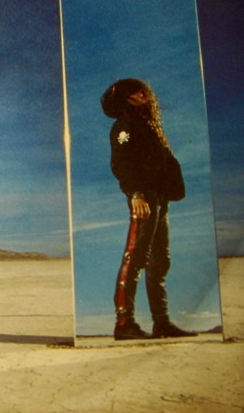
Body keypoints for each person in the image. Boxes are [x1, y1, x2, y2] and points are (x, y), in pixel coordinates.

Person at [101, 78, 198, 340]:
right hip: (143, 198)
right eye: (134, 92)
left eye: (142, 90)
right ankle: (124, 324)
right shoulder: (125, 125)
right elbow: (121, 162)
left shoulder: (147, 126)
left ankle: (161, 323)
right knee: (136, 257)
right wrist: (135, 194)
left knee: (160, 260)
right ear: (125, 98)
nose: (142, 94)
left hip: (159, 198)